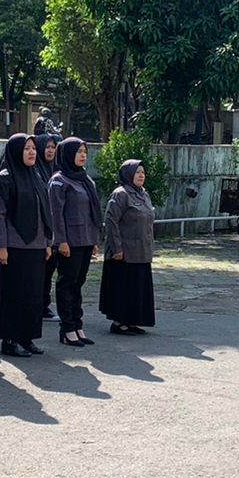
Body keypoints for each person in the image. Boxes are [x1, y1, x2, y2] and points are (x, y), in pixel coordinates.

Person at [0, 132, 53, 358]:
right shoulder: (5, 179)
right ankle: (10, 339)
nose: (32, 152)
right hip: (14, 247)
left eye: (33, 148)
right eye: (26, 149)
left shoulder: (36, 176)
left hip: (36, 246)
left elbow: (44, 211)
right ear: (16, 151)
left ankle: (27, 338)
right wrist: (1, 246)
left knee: (33, 295)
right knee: (13, 295)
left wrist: (47, 241)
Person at [49, 136, 101, 348]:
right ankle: (67, 327)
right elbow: (55, 214)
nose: (82, 155)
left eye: (84, 152)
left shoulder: (85, 179)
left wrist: (94, 240)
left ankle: (78, 324)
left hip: (86, 239)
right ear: (68, 154)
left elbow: (92, 212)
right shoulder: (59, 180)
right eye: (78, 151)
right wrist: (60, 241)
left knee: (79, 283)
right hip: (69, 241)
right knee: (67, 282)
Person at [99, 159, 156, 335]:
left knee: (137, 288)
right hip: (124, 253)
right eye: (137, 172)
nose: (141, 175)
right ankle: (119, 322)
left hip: (142, 251)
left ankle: (131, 321)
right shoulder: (120, 194)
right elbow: (111, 221)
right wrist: (116, 248)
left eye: (143, 172)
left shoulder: (144, 194)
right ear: (128, 174)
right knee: (123, 287)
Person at [35, 132, 60, 318]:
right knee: (39, 270)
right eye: (47, 147)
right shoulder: (35, 171)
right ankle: (37, 304)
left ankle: (44, 304)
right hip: (39, 229)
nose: (50, 150)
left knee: (50, 269)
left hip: (54, 229)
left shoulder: (57, 170)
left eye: (53, 147)